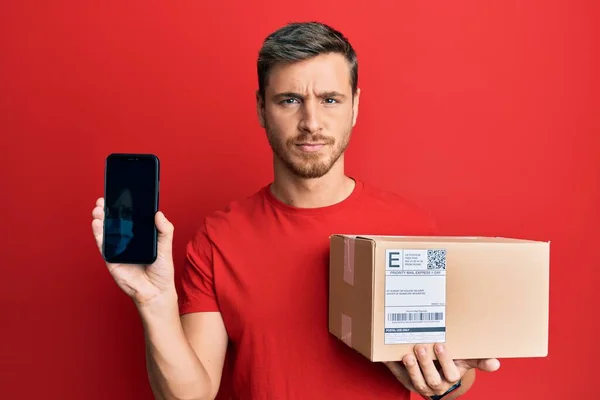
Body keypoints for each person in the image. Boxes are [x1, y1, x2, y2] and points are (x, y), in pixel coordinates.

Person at [91, 21, 500, 400]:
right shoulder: (218, 238)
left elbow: (456, 375)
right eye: (289, 100)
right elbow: (189, 395)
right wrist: (154, 301)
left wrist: (448, 380)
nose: (311, 122)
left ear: (354, 106)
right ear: (261, 108)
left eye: (330, 100)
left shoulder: (411, 229)